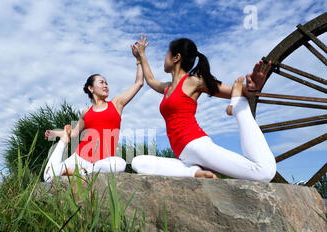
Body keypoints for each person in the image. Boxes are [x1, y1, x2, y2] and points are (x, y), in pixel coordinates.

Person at [130, 34, 276, 182]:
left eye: (166, 54)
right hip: (184, 154)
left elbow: (233, 90)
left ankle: (238, 108)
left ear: (176, 58)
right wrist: (140, 56)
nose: (164, 59)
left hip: (196, 144)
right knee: (138, 162)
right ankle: (193, 172)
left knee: (263, 173)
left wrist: (252, 88)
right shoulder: (167, 88)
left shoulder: (194, 81)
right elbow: (150, 80)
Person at [43, 43, 144, 183]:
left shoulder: (116, 104)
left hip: (102, 162)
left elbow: (139, 83)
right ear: (91, 88)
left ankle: (84, 172)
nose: (105, 85)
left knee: (119, 164)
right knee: (48, 177)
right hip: (80, 157)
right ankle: (79, 168)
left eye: (106, 83)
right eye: (101, 82)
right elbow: (73, 133)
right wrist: (57, 134)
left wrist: (139, 59)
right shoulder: (86, 112)